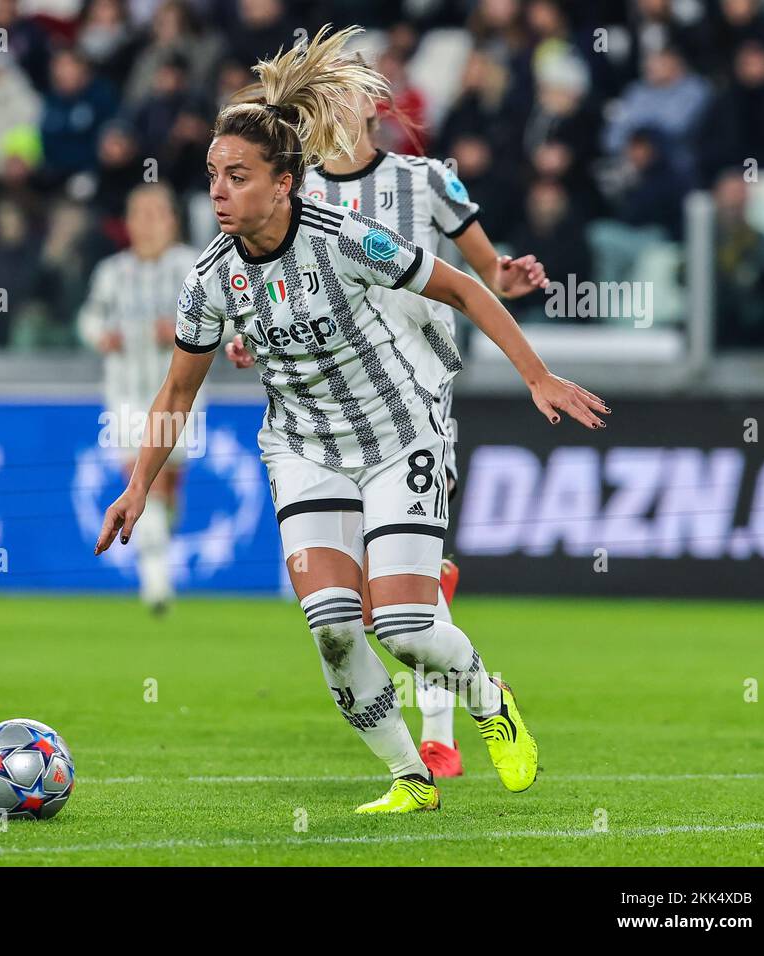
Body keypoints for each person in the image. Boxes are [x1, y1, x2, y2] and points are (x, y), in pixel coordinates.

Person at [95, 26, 608, 814]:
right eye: (212, 176)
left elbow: (467, 290)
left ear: (285, 183)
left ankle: (485, 697)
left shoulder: (345, 238)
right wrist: (137, 487)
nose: (219, 192)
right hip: (304, 449)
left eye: (237, 176)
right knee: (333, 629)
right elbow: (174, 395)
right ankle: (410, 777)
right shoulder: (209, 280)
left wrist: (536, 375)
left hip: (401, 430)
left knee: (402, 624)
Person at [224, 59, 551, 777]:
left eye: (348, 87)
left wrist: (512, 279)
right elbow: (265, 279)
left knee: (396, 598)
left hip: (421, 391)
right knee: (370, 605)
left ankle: (440, 729)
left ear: (374, 103)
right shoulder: (291, 187)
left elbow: (480, 272)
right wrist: (248, 330)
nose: (335, 100)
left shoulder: (425, 179)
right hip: (330, 405)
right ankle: (443, 727)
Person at [79, 183, 199, 614]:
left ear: (172, 220)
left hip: (179, 394)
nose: (147, 224)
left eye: (156, 214)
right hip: (126, 393)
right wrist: (100, 335)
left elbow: (222, 319)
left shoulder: (192, 267)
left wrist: (182, 334)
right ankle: (156, 580)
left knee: (169, 483)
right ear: (127, 223)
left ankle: (158, 543)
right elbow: (89, 317)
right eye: (139, 215)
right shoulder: (111, 272)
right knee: (142, 477)